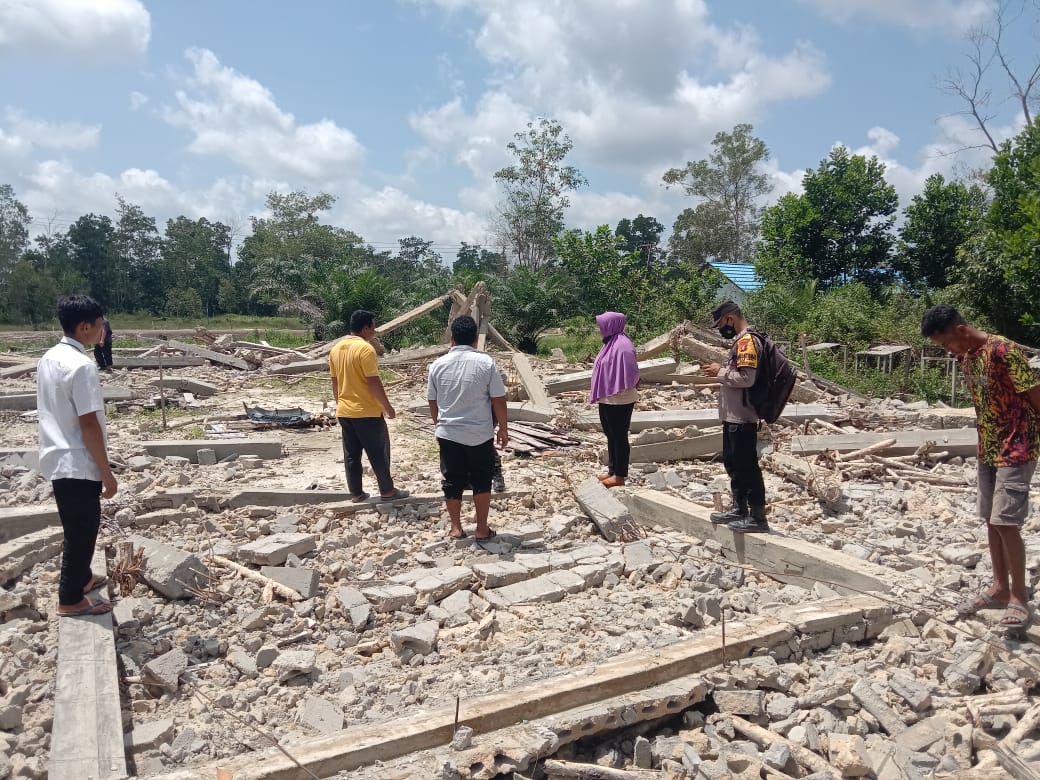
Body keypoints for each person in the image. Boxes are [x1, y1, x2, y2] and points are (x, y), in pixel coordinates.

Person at [922, 305, 1040, 629]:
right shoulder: (967, 358)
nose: (948, 351)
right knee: (990, 519)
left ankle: (1019, 598)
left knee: (1006, 522)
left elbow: (1035, 395)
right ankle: (999, 588)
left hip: (1017, 446)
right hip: (987, 446)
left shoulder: (1004, 351)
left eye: (947, 343)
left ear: (961, 330)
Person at [38, 295, 118, 617]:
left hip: (57, 455)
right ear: (85, 327)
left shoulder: (49, 358)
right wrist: (106, 472)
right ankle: (70, 599)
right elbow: (88, 424)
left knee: (76, 524)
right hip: (78, 460)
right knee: (82, 532)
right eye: (99, 325)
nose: (102, 330)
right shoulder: (82, 366)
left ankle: (83, 579)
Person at [427, 315, 509, 540]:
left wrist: (438, 424)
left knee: (451, 480)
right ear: (475, 340)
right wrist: (503, 428)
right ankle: (481, 528)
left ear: (452, 339)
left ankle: (456, 528)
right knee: (482, 479)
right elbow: (498, 400)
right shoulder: (486, 363)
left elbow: (432, 401)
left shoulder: (437, 365)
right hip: (479, 433)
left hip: (448, 433)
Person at [704, 300, 769, 533]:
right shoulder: (741, 341)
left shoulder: (746, 342)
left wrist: (719, 372)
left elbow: (747, 379)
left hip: (743, 416)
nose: (721, 329)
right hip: (733, 416)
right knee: (733, 463)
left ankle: (758, 517)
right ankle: (739, 508)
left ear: (730, 319)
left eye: (721, 324)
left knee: (747, 466)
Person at [330, 310, 408, 503]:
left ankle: (356, 493)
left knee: (351, 455)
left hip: (345, 410)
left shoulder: (336, 349)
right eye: (373, 327)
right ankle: (387, 491)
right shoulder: (365, 349)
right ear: (365, 328)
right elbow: (373, 381)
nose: (374, 331)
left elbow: (335, 381)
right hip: (366, 411)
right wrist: (387, 406)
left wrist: (340, 404)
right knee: (378, 452)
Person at [590, 311, 639, 488]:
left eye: (602, 326)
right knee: (610, 434)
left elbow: (632, 371)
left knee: (619, 435)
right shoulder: (611, 343)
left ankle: (620, 475)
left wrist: (621, 386)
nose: (600, 330)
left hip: (620, 399)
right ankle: (612, 471)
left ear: (611, 325)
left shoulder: (623, 345)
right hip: (608, 397)